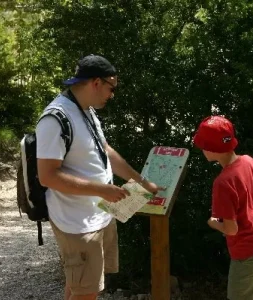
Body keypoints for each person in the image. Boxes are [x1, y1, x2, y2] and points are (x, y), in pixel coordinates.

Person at [36, 54, 163, 300]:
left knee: (80, 287)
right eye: (111, 87)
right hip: (76, 222)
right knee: (87, 292)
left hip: (98, 215)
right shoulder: (55, 118)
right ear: (96, 82)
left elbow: (105, 152)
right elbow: (48, 176)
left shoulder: (85, 110)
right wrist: (102, 190)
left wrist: (141, 182)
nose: (112, 94)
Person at [192, 115, 253, 300]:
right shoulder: (249, 162)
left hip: (248, 252)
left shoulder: (222, 183)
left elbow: (231, 230)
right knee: (251, 295)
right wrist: (250, 211)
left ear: (211, 149)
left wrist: (213, 222)